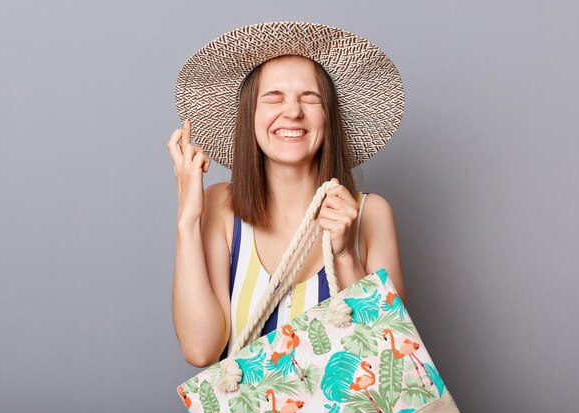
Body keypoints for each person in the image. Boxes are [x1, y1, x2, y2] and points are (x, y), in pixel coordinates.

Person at [167, 22, 407, 368]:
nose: (293, 111)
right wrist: (188, 219)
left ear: (328, 117)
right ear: (249, 115)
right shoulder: (221, 206)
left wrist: (344, 255)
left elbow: (390, 355)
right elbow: (200, 350)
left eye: (310, 98)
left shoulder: (371, 213)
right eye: (273, 97)